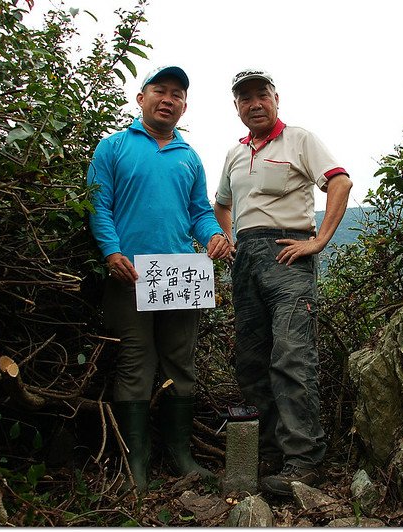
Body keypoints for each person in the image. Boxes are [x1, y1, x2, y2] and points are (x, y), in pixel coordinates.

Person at [86, 65, 232, 494]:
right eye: (160, 91)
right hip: (129, 276)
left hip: (179, 277)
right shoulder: (113, 147)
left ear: (185, 106)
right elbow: (100, 205)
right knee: (135, 363)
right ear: (141, 99)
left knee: (179, 362)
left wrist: (214, 238)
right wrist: (111, 252)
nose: (168, 99)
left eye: (177, 94)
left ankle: (182, 457)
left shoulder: (189, 156)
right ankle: (138, 463)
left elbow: (200, 213)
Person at [213, 68, 353, 496]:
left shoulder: (299, 139)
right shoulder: (235, 154)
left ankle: (304, 459)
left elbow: (340, 182)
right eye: (244, 98)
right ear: (236, 107)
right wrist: (228, 236)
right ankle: (272, 451)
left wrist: (319, 240)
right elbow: (221, 203)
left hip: (288, 254)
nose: (254, 103)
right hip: (247, 259)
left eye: (261, 94)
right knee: (252, 360)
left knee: (292, 355)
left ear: (276, 98)